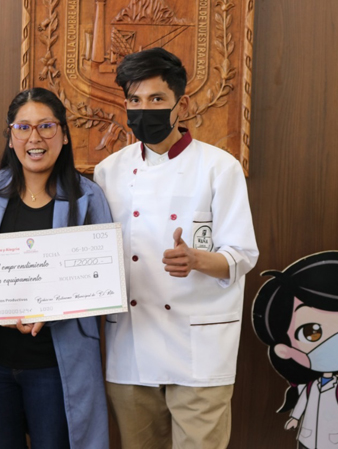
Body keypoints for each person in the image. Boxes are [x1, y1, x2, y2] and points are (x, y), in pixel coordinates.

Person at [94, 47, 259, 449]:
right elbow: (91, 249)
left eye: (156, 99)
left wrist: (198, 259)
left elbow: (243, 255)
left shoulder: (219, 167)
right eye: (135, 100)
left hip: (198, 347)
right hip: (131, 345)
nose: (143, 109)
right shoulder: (108, 171)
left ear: (180, 105)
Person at [0, 87, 111, 449]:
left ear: (64, 134)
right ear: (11, 136)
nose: (35, 138)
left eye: (46, 126)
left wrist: (54, 306)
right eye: (23, 127)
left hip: (56, 366)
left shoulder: (88, 197)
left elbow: (105, 280)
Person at [252, 251, 338, 449]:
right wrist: (294, 418)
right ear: (285, 350)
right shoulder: (308, 387)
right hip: (307, 439)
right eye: (311, 332)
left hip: (333, 442)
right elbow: (302, 402)